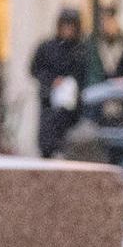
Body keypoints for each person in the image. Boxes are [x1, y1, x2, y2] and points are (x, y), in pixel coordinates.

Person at [28, 9, 85, 159]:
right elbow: (35, 69)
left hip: (72, 108)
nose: (68, 31)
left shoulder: (81, 50)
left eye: (71, 27)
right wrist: (52, 81)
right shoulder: (47, 47)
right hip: (49, 101)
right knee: (48, 142)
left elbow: (85, 75)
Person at [91, 7, 123, 84]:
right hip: (101, 86)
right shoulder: (95, 44)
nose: (109, 26)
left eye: (111, 22)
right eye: (106, 22)